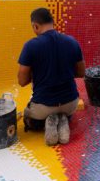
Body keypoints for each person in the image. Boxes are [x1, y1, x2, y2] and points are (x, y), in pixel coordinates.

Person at [17, 7, 85, 146]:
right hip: (70, 103)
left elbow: (22, 81)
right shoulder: (72, 41)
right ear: (53, 22)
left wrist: (37, 73)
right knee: (66, 111)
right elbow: (81, 73)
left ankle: (45, 122)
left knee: (30, 119)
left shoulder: (31, 46)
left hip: (43, 107)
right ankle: (64, 118)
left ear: (35, 26)